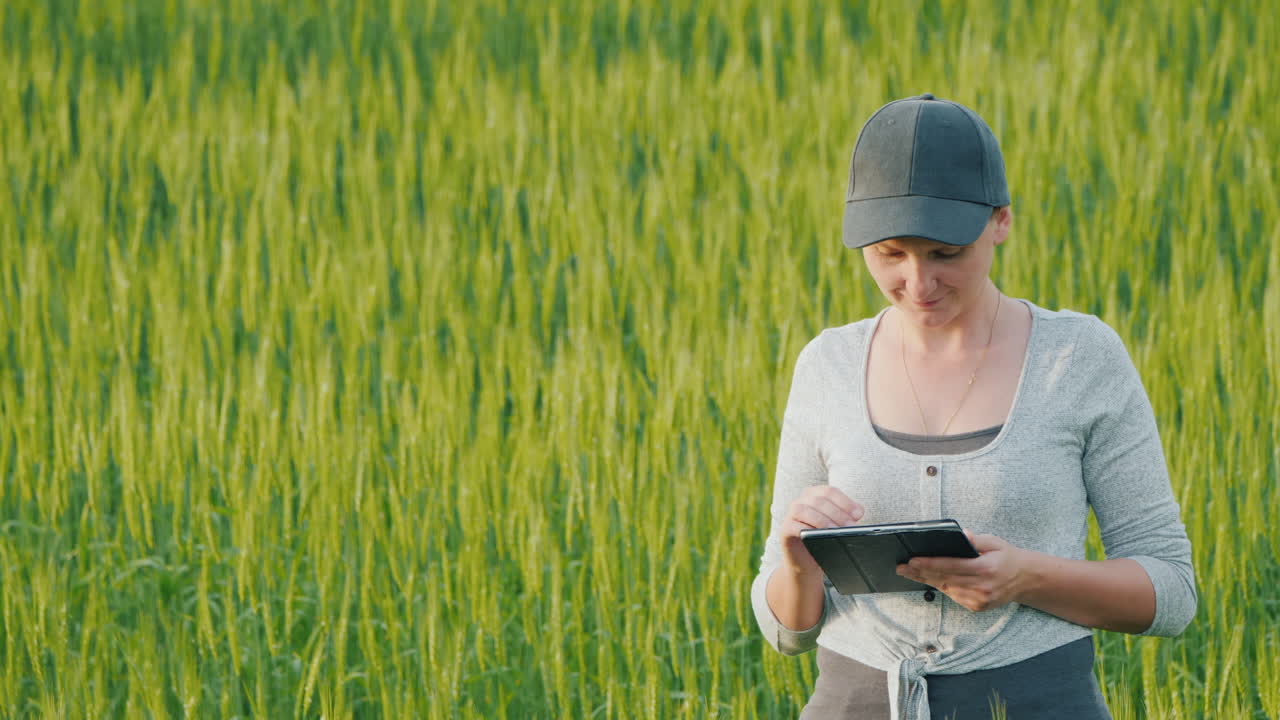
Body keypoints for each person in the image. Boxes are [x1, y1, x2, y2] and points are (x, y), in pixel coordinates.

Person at [749, 94, 1197, 720]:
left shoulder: (1079, 357)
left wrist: (1026, 578)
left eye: (945, 253)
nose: (918, 283)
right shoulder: (828, 364)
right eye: (890, 254)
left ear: (1001, 221)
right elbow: (784, 631)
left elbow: (1171, 593)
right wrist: (800, 566)